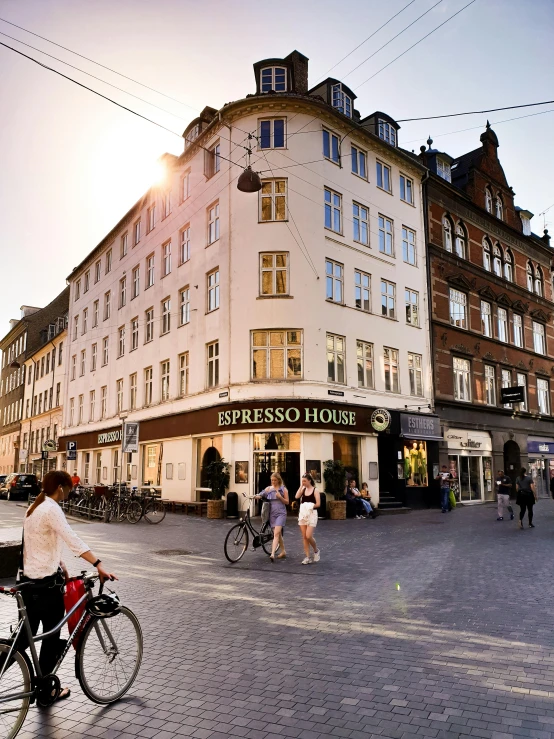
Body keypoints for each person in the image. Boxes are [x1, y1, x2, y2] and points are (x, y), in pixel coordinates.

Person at [12, 470, 116, 701]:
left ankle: (41, 686)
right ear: (61, 487)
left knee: (20, 642)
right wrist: (98, 564)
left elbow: (37, 544)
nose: (71, 491)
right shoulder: (51, 508)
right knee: (51, 638)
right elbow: (72, 539)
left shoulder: (34, 508)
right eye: (69, 488)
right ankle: (47, 691)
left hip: (28, 585)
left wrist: (59, 563)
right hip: (46, 587)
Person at [257, 472, 288, 561]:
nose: (273, 482)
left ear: (278, 480)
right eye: (272, 480)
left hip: (281, 513)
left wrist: (280, 497)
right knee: (277, 534)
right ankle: (283, 551)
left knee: (276, 533)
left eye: (275, 480)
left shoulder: (283, 489)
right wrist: (254, 497)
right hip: (272, 514)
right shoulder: (269, 489)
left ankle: (273, 553)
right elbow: (261, 494)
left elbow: (287, 502)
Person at [295, 473, 320, 564]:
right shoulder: (303, 489)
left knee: (309, 535)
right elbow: (297, 496)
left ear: (309, 480)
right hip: (303, 514)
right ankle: (307, 557)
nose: (303, 482)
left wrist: (309, 506)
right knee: (304, 537)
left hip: (312, 513)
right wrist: (301, 486)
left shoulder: (315, 490)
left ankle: (316, 550)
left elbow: (318, 504)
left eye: (305, 481)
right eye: (302, 481)